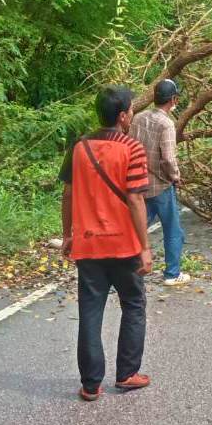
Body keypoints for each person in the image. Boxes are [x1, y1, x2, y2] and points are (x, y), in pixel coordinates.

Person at [60, 85, 153, 401]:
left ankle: (90, 384)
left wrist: (68, 234)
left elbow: (68, 193)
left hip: (88, 247)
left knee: (90, 312)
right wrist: (146, 246)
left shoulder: (79, 147)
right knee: (134, 305)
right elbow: (136, 198)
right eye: (131, 111)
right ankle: (127, 374)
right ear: (124, 115)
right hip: (125, 246)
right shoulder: (132, 148)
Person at [131, 78, 189, 285]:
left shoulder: (138, 117)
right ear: (173, 99)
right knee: (173, 230)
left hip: (137, 185)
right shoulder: (166, 124)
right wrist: (176, 177)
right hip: (160, 186)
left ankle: (128, 270)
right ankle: (172, 274)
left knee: (136, 228)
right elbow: (168, 159)